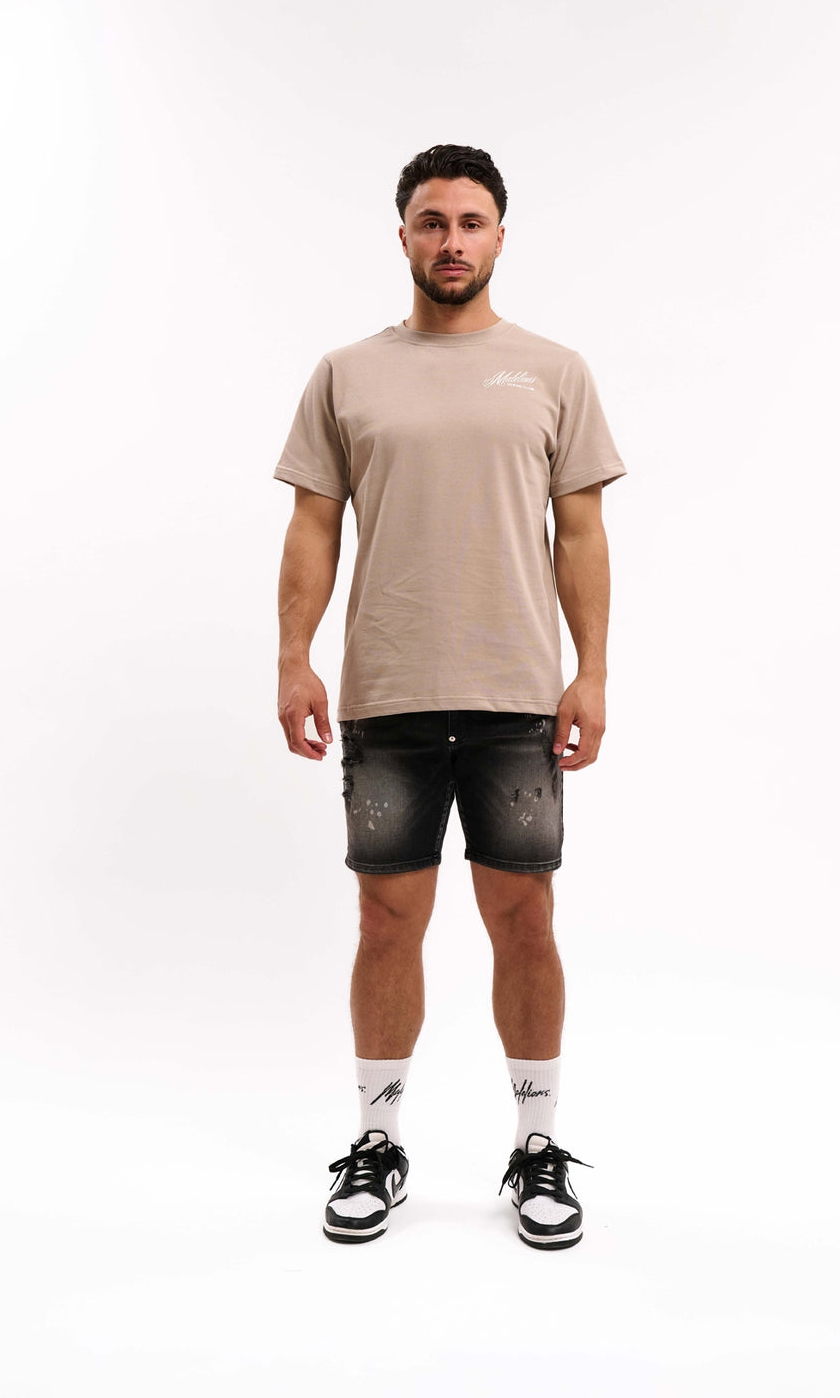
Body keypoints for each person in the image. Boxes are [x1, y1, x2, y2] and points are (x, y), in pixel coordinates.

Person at [273, 144, 626, 1249]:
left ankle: (537, 1147)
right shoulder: (347, 373)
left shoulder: (553, 371)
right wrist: (294, 658)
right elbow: (313, 525)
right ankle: (378, 1142)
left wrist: (591, 671)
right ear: (404, 237)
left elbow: (581, 533)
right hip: (388, 694)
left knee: (525, 919)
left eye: (472, 222)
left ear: (501, 236)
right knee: (387, 920)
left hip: (518, 696)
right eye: (432, 222)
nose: (452, 241)